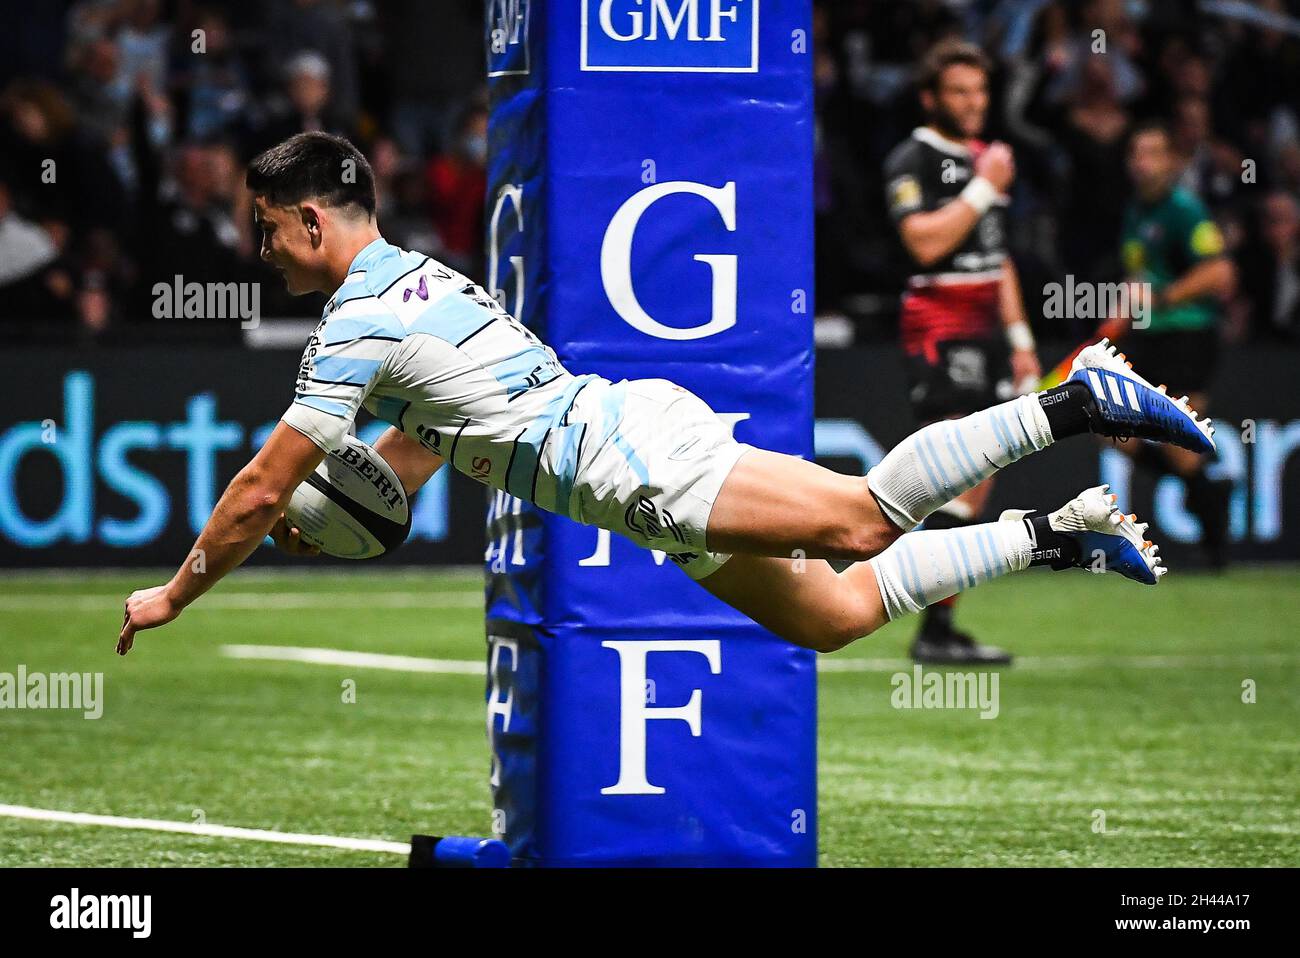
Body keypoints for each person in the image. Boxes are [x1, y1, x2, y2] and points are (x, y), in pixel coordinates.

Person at [116, 133, 1217, 656]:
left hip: (625, 461)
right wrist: (347, 517)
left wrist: (177, 590)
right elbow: (411, 455)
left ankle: (1079, 398)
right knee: (830, 616)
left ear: (312, 222)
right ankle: (1058, 533)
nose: (261, 252)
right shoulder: (419, 282)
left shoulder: (358, 314)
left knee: (856, 517)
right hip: (615, 462)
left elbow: (262, 484)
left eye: (265, 231)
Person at [882, 40, 1042, 664]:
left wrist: (1023, 341)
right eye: (959, 91)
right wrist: (983, 188)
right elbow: (922, 244)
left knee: (973, 489)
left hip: (986, 332)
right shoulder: (913, 158)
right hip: (939, 327)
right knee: (954, 480)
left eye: (980, 90)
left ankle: (938, 627)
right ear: (931, 98)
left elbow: (997, 262)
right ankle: (926, 627)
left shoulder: (986, 159)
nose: (974, 102)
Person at [1110, 121, 1235, 567]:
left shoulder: (1184, 209)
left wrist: (1162, 298)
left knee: (1182, 451)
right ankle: (1210, 491)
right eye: (1136, 154)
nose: (1143, 164)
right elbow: (1138, 278)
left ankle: (1216, 544)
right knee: (1114, 433)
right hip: (1149, 337)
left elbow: (1221, 273)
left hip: (1188, 335)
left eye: (1153, 154)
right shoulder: (1134, 211)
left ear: (1170, 162)